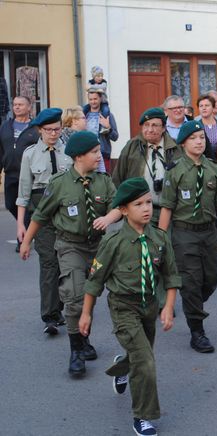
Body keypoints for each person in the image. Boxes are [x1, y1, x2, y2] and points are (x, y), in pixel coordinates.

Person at [80, 177, 181, 436]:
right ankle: (143, 417)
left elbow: (171, 277)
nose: (147, 208)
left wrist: (168, 307)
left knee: (140, 355)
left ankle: (121, 367)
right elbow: (95, 281)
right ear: (123, 210)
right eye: (138, 204)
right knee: (145, 361)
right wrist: (86, 314)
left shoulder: (159, 237)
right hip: (123, 307)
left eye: (148, 202)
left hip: (149, 306)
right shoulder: (113, 243)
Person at [20, 131, 122, 376]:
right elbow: (41, 215)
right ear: (78, 157)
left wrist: (108, 217)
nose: (99, 156)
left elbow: (118, 206)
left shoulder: (103, 180)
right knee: (75, 297)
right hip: (70, 246)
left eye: (99, 151)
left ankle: (84, 337)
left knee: (95, 295)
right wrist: (26, 243)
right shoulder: (59, 184)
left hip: (99, 246)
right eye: (94, 152)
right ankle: (76, 349)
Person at [158, 121, 217, 353]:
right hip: (184, 234)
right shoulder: (175, 171)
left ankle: (192, 303)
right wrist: (161, 240)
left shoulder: (214, 169)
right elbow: (167, 207)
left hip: (209, 232)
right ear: (183, 143)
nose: (199, 141)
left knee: (211, 280)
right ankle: (197, 331)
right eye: (193, 138)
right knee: (191, 282)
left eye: (202, 137)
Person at [16, 108, 72, 335]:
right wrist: (21, 224)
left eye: (57, 129)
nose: (53, 134)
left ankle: (60, 306)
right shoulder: (30, 154)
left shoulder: (69, 150)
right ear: (40, 130)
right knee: (49, 262)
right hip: (42, 212)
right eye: (48, 130)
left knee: (67, 260)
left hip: (68, 211)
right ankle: (50, 315)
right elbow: (24, 193)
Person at [112, 107, 183, 224]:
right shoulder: (132, 147)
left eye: (155, 125)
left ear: (164, 128)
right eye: (146, 125)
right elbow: (117, 179)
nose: (149, 129)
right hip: (137, 212)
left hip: (170, 212)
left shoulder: (176, 148)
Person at [0, 96, 39, 250]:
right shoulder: (5, 126)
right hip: (11, 172)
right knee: (11, 204)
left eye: (20, 105)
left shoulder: (35, 128)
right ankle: (26, 227)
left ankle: (22, 239)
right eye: (15, 105)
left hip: (30, 174)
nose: (17, 107)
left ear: (29, 107)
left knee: (27, 205)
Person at [61, 106, 106, 173]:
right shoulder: (62, 140)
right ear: (75, 121)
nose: (86, 120)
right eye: (83, 118)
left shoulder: (88, 137)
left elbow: (99, 162)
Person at [84, 88, 118, 173]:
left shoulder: (108, 115)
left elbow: (115, 137)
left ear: (100, 99)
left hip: (103, 154)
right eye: (90, 99)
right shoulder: (84, 116)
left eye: (95, 99)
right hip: (86, 154)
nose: (93, 102)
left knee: (103, 180)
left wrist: (108, 127)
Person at [197, 94, 217, 159]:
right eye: (201, 106)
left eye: (207, 105)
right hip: (203, 164)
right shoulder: (196, 126)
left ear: (213, 107)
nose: (204, 108)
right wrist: (216, 148)